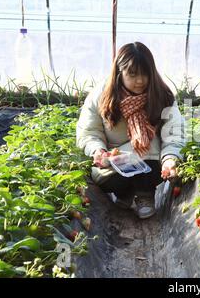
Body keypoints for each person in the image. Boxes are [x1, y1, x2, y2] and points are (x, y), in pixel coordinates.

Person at [76, 42, 185, 219]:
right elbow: (89, 131)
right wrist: (98, 150)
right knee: (110, 176)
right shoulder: (101, 95)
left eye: (145, 73)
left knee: (148, 144)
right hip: (113, 166)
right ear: (120, 72)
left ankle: (144, 194)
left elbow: (174, 134)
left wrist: (170, 159)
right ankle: (124, 193)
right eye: (132, 74)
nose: (140, 80)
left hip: (149, 162)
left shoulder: (163, 96)